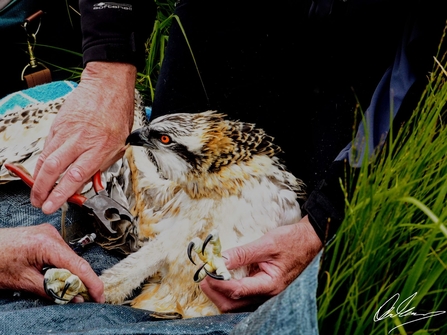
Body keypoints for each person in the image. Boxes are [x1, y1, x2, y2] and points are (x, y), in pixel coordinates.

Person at [1, 0, 446, 334]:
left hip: (361, 78)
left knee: (284, 274)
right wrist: (109, 62)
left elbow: (424, 57)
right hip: (217, 41)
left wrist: (326, 212)